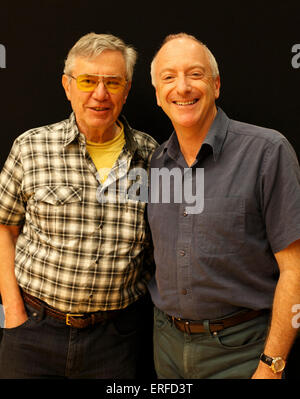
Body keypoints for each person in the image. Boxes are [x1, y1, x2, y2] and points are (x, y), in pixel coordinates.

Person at [0, 32, 158, 379]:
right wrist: (13, 313)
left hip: (115, 341)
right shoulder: (31, 147)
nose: (100, 94)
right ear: (67, 86)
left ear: (127, 89)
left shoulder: (153, 157)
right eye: (88, 81)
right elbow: (5, 228)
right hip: (33, 333)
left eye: (113, 82)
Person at [147, 33, 300, 379]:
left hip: (243, 352)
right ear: (157, 95)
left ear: (216, 85)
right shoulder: (155, 163)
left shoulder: (266, 151)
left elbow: (296, 270)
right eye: (168, 77)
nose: (182, 87)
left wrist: (272, 365)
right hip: (167, 349)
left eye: (195, 74)